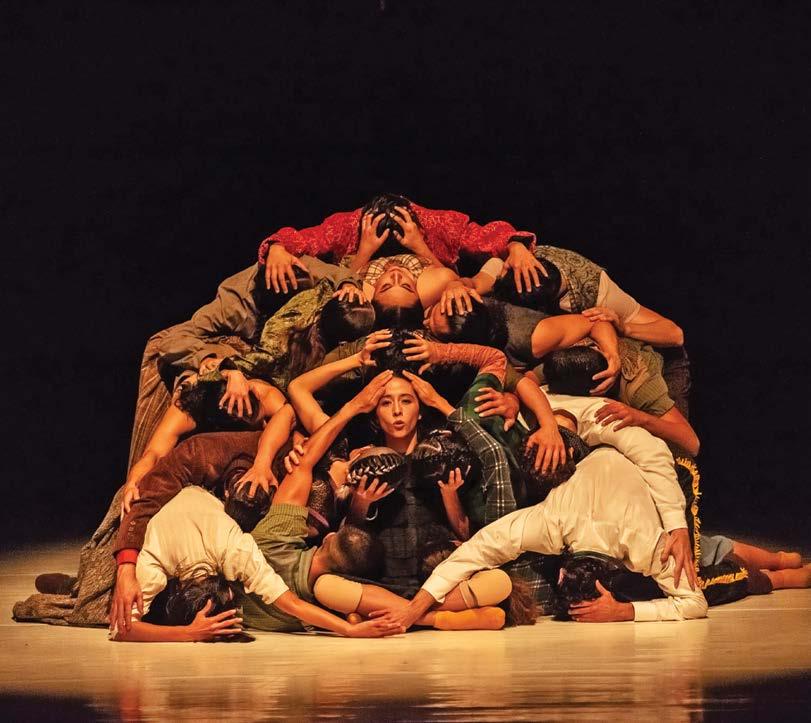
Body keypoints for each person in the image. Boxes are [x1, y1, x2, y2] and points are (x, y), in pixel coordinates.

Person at [374, 440, 709, 629]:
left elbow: (695, 603)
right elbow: (474, 551)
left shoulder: (647, 544)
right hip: (598, 451)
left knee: (706, 567)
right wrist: (413, 609)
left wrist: (625, 612)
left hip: (657, 475)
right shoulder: (552, 521)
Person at [108, 483, 401, 642]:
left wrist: (350, 632)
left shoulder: (234, 549)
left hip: (206, 495)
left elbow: (292, 604)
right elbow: (121, 629)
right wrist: (189, 633)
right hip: (165, 509)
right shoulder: (154, 561)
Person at [258, 193, 544, 290]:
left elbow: (487, 236)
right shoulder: (349, 225)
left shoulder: (435, 223)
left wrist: (516, 246)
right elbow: (301, 239)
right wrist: (278, 248)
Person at [540, 346, 699, 456]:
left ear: (598, 391)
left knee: (679, 456)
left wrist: (640, 418)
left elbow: (692, 443)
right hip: (629, 351)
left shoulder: (640, 387)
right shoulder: (564, 363)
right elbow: (530, 379)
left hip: (669, 359)